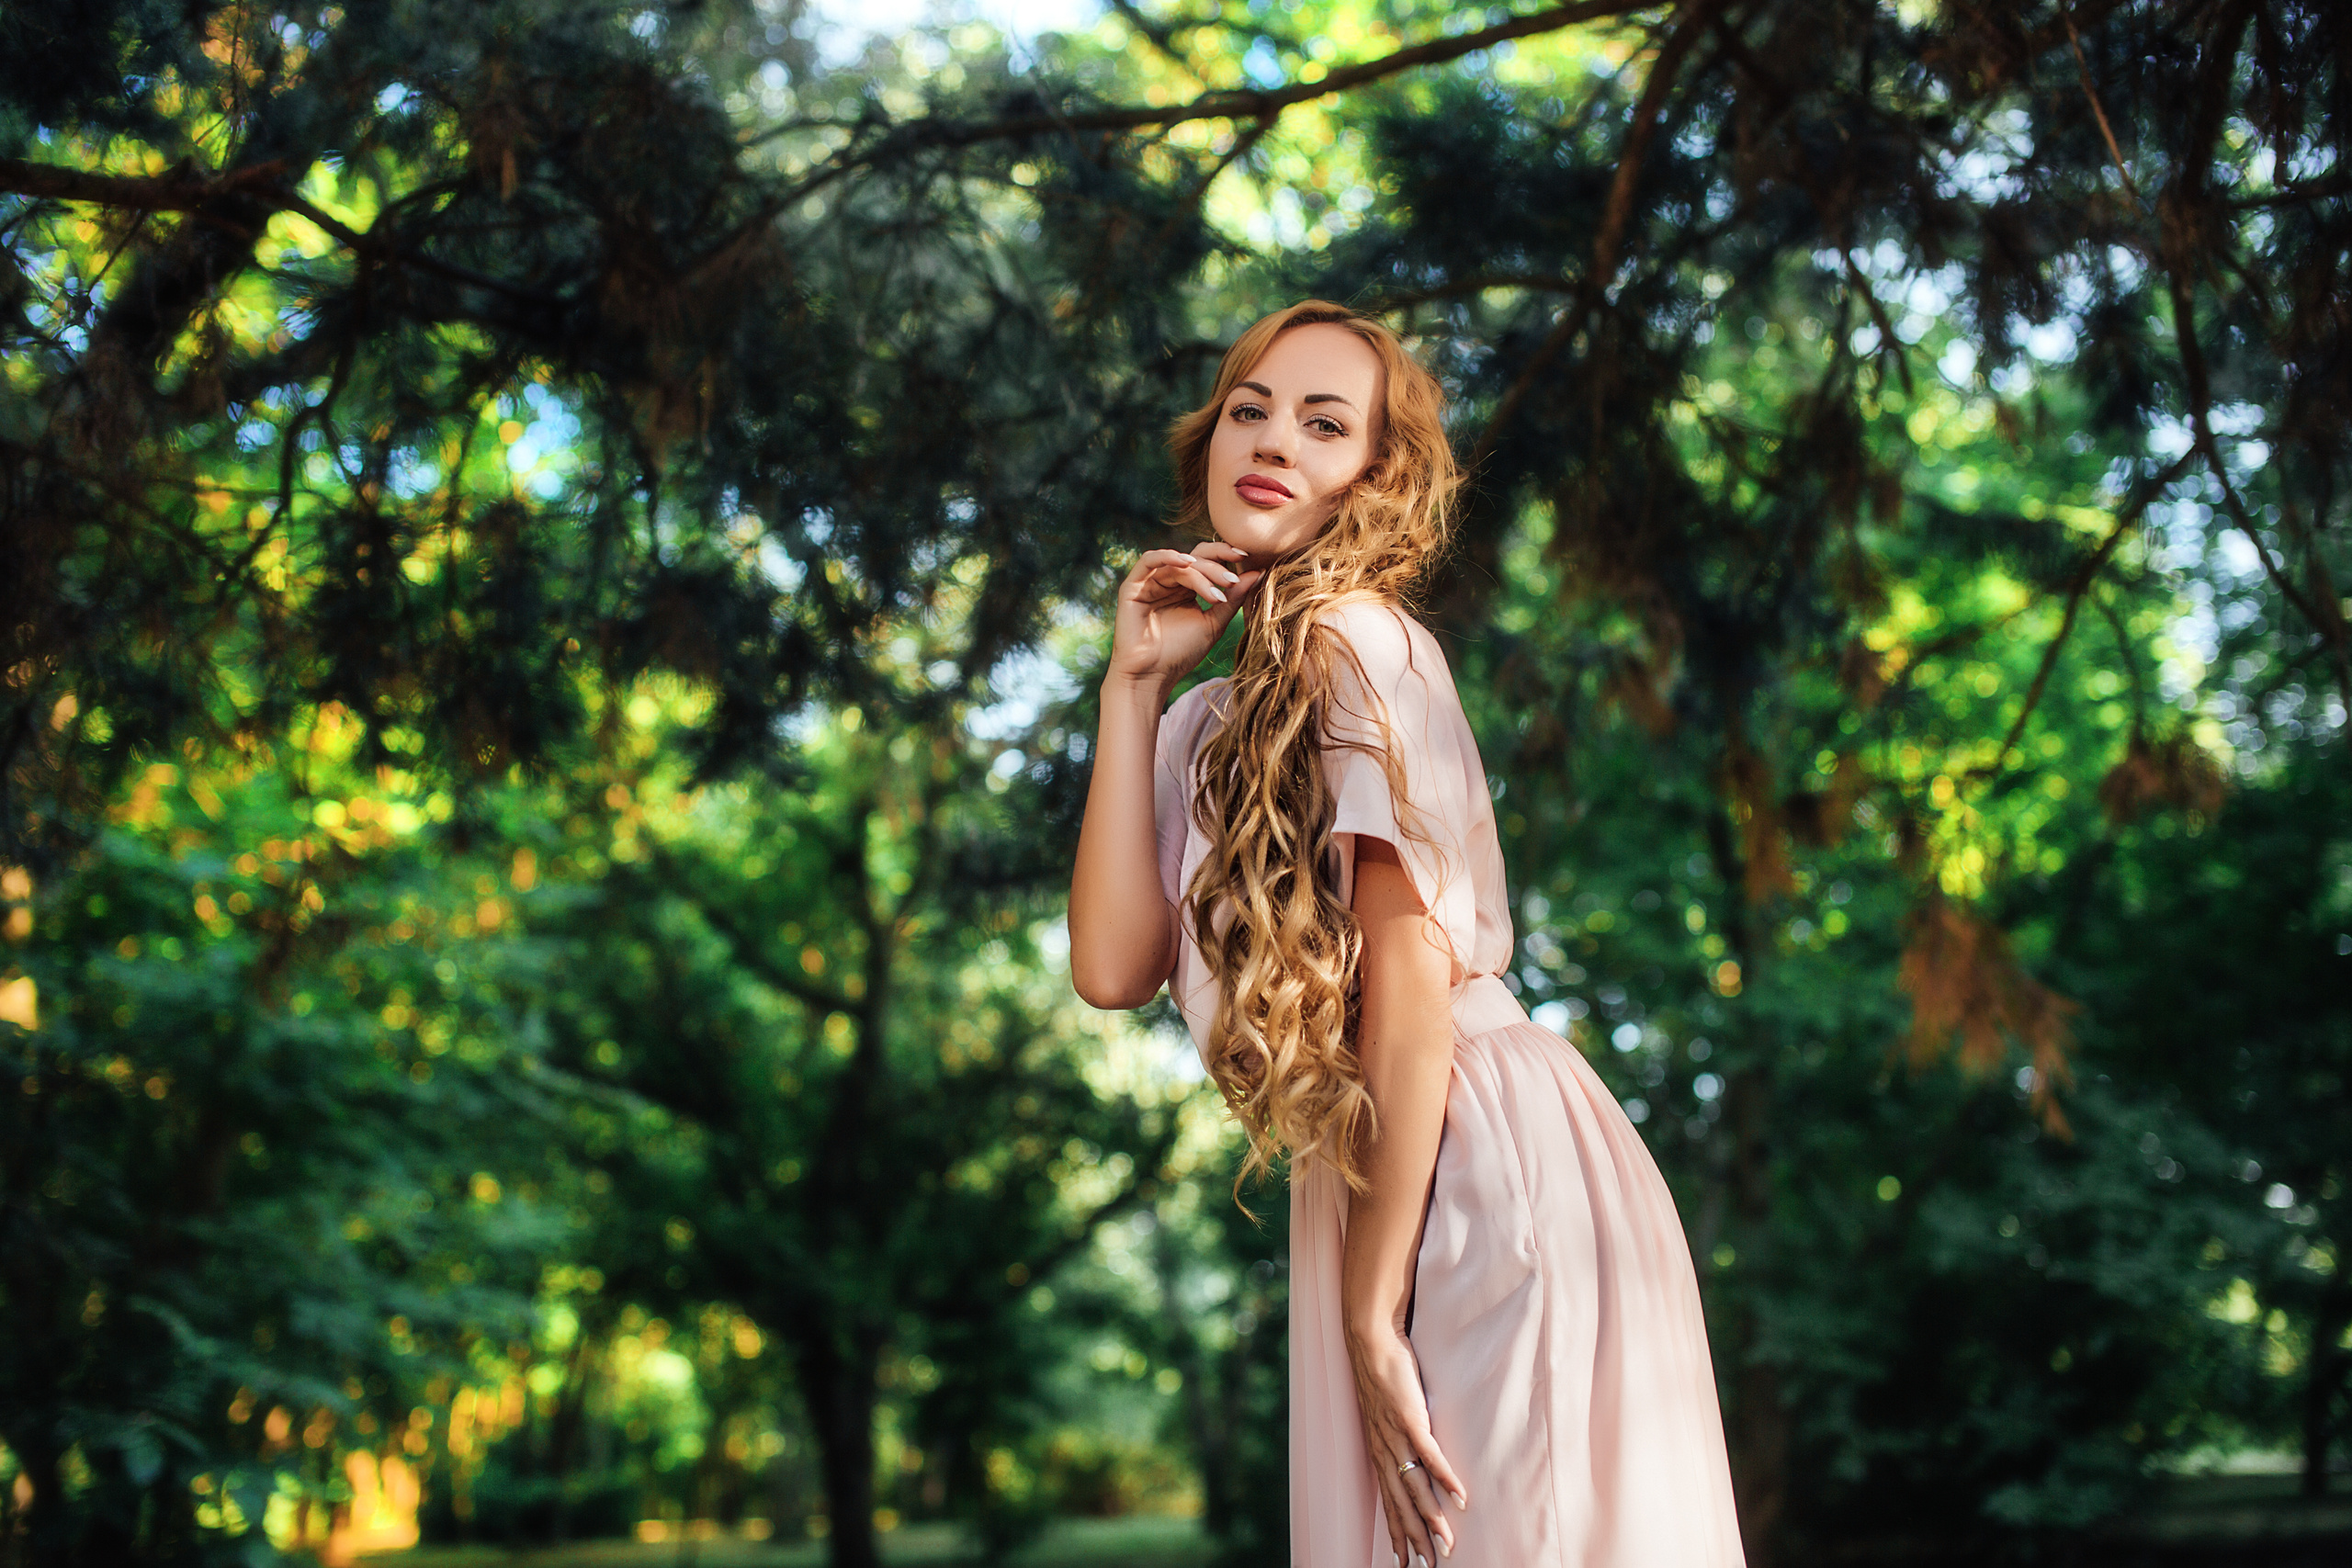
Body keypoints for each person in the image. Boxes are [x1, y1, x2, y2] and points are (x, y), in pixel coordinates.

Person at [1069, 300, 1746, 1568]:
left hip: (1478, 1150)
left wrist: (1373, 1310)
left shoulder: (1360, 641)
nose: (1273, 439)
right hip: (1370, 1171)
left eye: (1326, 424)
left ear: (1374, 478)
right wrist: (1132, 683)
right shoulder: (1202, 721)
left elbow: (1412, 977)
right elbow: (1110, 968)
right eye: (1250, 409)